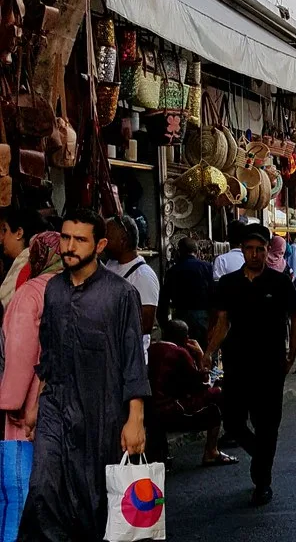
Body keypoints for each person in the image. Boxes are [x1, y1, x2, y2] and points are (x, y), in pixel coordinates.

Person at [18, 209, 149, 540]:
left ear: (100, 244)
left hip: (100, 414)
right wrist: (36, 405)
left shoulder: (120, 294)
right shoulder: (54, 290)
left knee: (93, 502)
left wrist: (135, 419)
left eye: (79, 240)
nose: (69, 247)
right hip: (54, 408)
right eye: (65, 237)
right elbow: (49, 352)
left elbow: (134, 360)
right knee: (43, 489)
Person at [205, 223, 296, 506]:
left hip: (271, 365)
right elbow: (223, 322)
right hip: (237, 364)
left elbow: (295, 319)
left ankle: (262, 482)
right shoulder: (229, 283)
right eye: (250, 249)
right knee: (233, 421)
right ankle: (261, 454)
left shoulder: (279, 282)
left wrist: (291, 355)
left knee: (267, 424)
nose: (255, 254)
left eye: (260, 249)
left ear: (266, 251)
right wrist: (209, 351)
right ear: (243, 250)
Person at [148, 319, 236, 466]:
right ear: (185, 338)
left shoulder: (152, 350)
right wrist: (200, 355)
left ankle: (160, 454)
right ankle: (211, 452)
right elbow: (200, 385)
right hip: (171, 408)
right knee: (215, 401)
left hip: (152, 408)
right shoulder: (180, 353)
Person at [0, 231, 62, 440]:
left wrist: (12, 402)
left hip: (31, 405)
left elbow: (21, 353)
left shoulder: (30, 294)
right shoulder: (74, 287)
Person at [106, 215, 160, 357]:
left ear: (123, 242)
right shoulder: (110, 265)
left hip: (129, 358)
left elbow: (146, 324)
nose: (104, 242)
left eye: (108, 238)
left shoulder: (143, 276)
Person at [158, 237, 215, 344]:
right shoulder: (207, 267)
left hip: (181, 317)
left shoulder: (173, 271)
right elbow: (213, 295)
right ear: (197, 251)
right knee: (202, 350)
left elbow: (163, 300)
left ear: (179, 252)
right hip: (202, 318)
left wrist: (164, 324)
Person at [0, 208, 48, 308]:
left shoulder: (25, 268)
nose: (1, 238)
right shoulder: (41, 260)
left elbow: (6, 307)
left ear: (19, 233)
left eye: (5, 230)